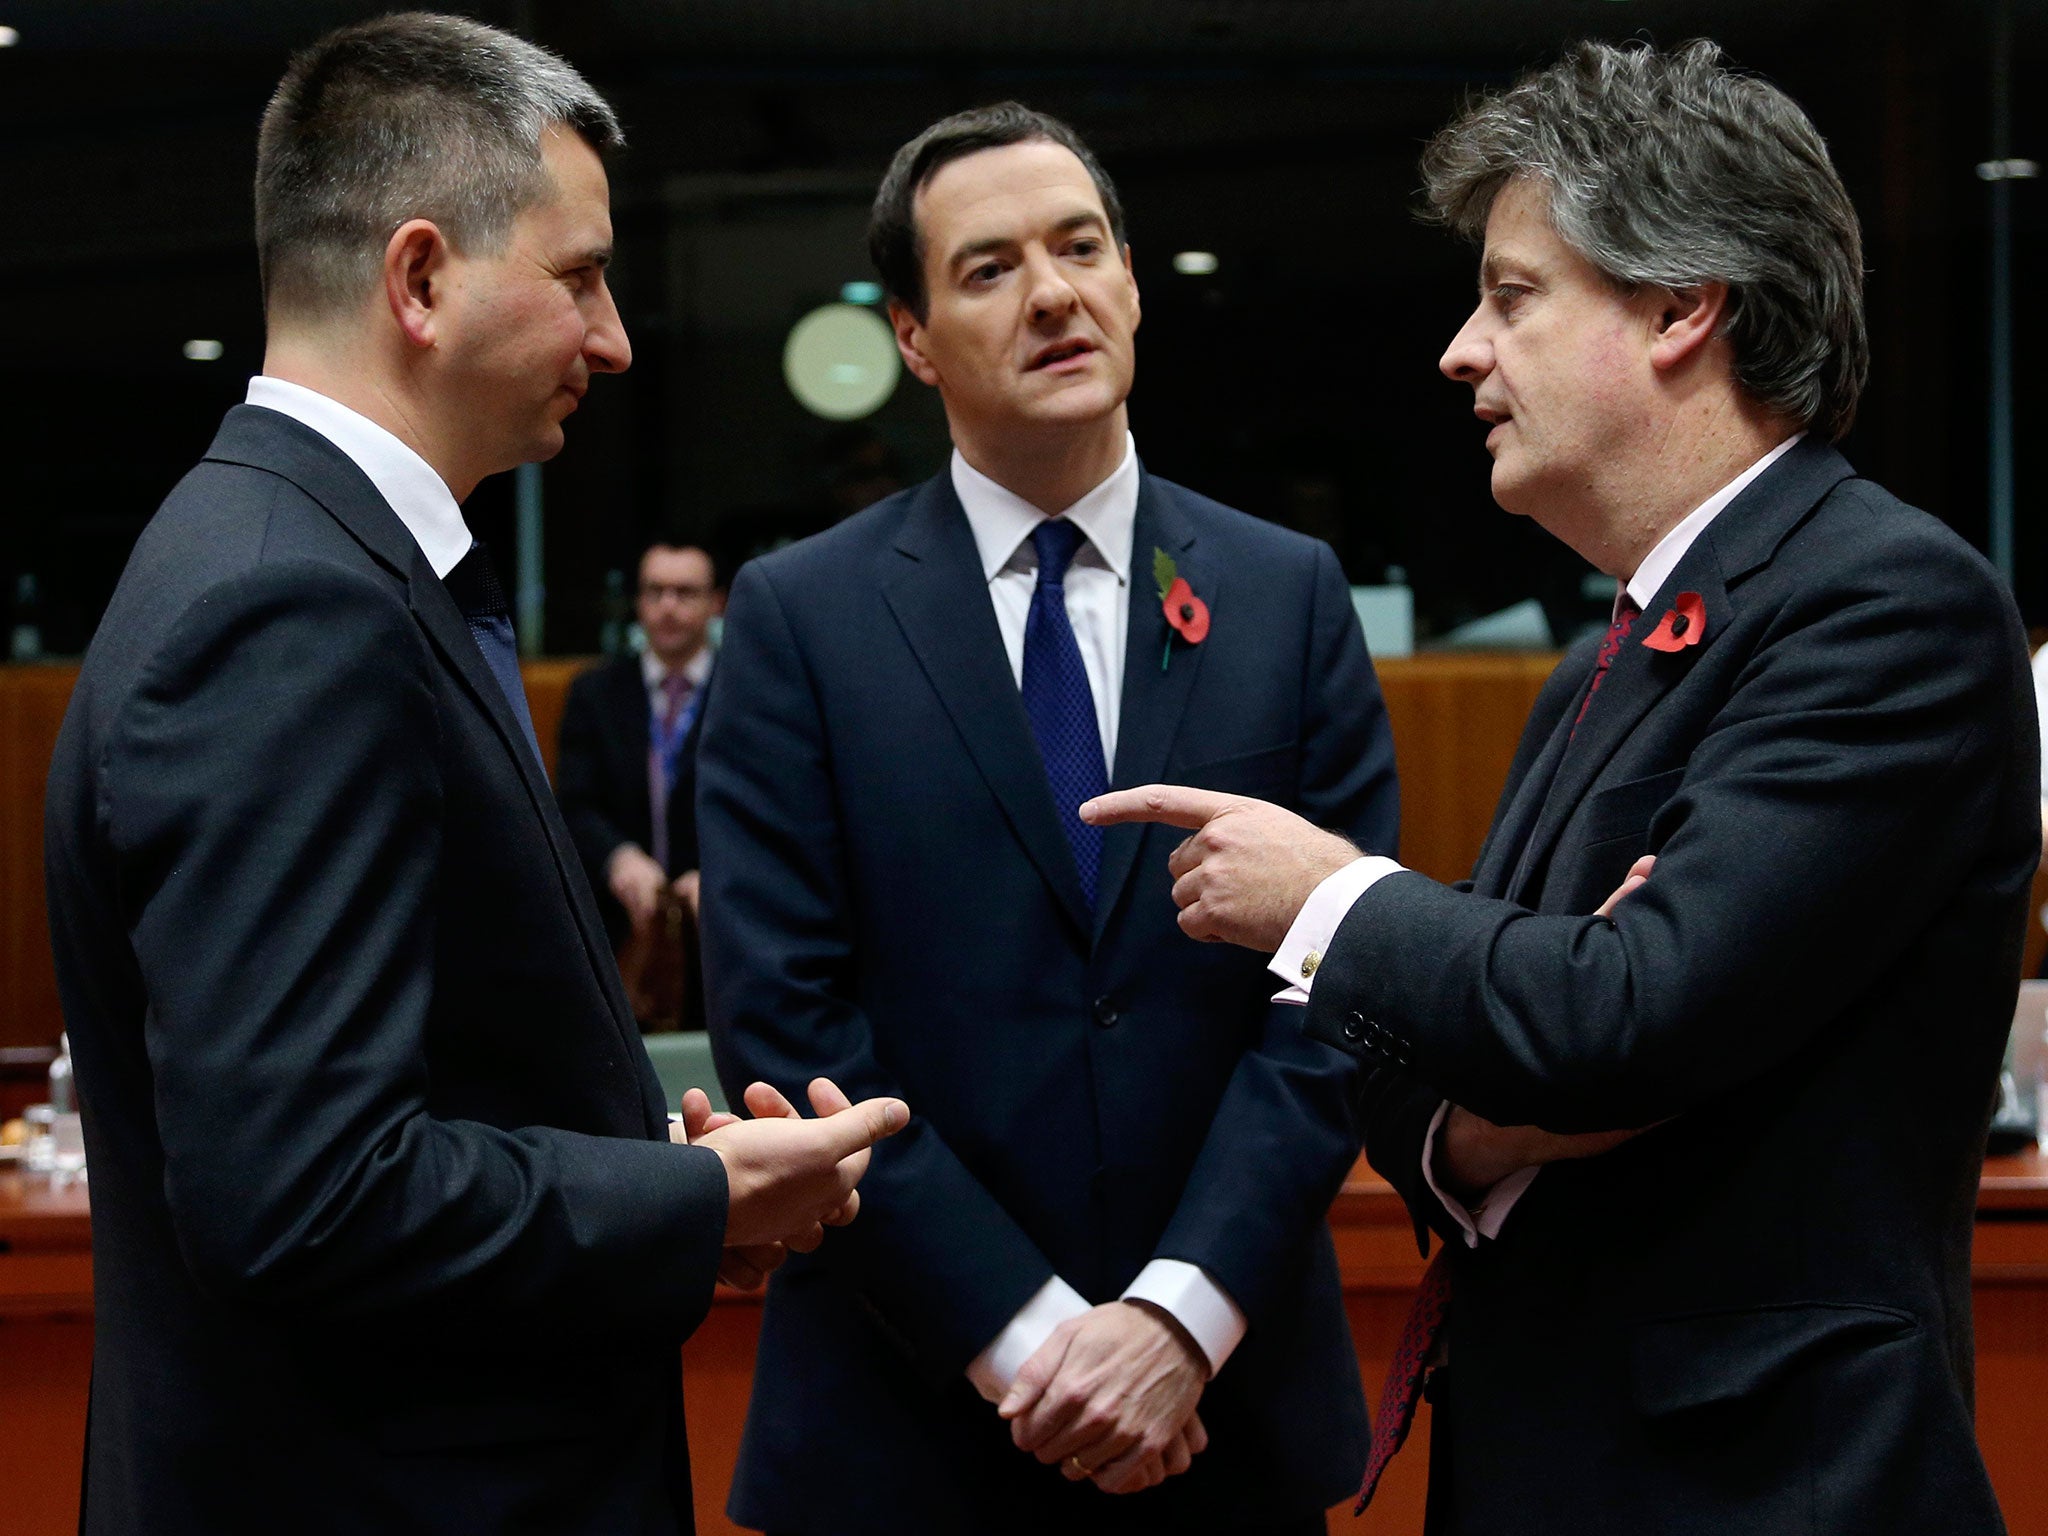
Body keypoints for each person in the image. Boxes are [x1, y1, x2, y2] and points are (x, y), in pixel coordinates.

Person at [1085, 40, 2036, 1536]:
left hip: (1768, 1486)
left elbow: (1614, 1013)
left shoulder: (1886, 602)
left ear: (1680, 308)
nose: (1461, 350)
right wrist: (1499, 1110)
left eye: (1513, 296)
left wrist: (1325, 899)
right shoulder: (1603, 657)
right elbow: (1445, 1058)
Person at [41, 15, 902, 1534]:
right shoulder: (285, 607)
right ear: (421, 279)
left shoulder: (315, 562)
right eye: (580, 276)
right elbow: (306, 1197)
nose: (619, 335)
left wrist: (656, 1173)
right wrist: (695, 1200)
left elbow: (424, 1076)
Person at [695, 102, 1399, 1536]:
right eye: (991, 268)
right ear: (911, 335)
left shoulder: (1287, 596)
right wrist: (1031, 1348)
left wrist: (1174, 1322)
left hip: (1227, 1409)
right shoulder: (799, 619)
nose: (1056, 294)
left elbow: (1337, 996)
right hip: (908, 1416)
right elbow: (786, 1022)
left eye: (1082, 249)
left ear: (1134, 280)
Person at [558, 540, 722, 1024]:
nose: (668, 607)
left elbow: (773, 806)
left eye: (685, 592)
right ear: (638, 602)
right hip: (620, 931)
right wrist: (619, 856)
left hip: (719, 932)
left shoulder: (746, 690)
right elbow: (573, 802)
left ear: (717, 602)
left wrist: (722, 871)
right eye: (655, 591)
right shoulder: (594, 691)